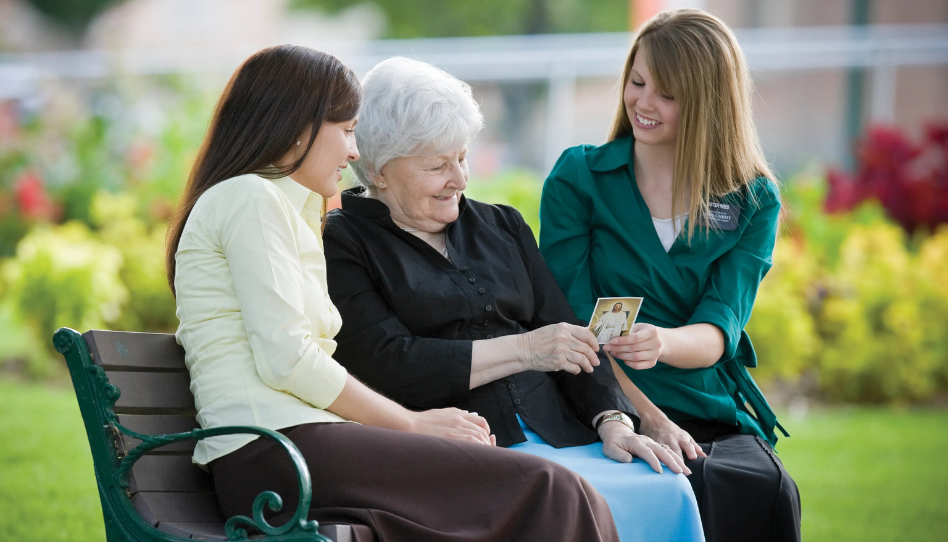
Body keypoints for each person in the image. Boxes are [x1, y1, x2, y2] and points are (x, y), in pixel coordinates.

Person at [167, 44, 623, 542]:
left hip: (303, 446)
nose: (354, 152)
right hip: (277, 453)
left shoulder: (287, 208)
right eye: (346, 131)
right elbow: (289, 360)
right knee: (552, 490)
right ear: (299, 127)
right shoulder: (251, 197)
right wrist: (411, 424)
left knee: (553, 494)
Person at [323, 56, 704, 542]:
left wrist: (612, 420)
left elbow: (567, 333)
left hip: (564, 434)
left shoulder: (502, 224)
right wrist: (525, 349)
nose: (460, 179)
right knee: (562, 502)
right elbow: (387, 362)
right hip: (463, 446)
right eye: (437, 166)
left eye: (462, 157)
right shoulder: (343, 241)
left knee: (667, 489)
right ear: (378, 170)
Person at [539, 8, 801, 542]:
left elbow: (720, 329)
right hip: (596, 397)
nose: (643, 103)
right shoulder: (579, 178)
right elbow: (569, 321)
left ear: (709, 104)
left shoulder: (754, 200)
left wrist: (661, 342)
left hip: (702, 402)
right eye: (637, 83)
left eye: (668, 94)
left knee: (759, 488)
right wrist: (645, 416)